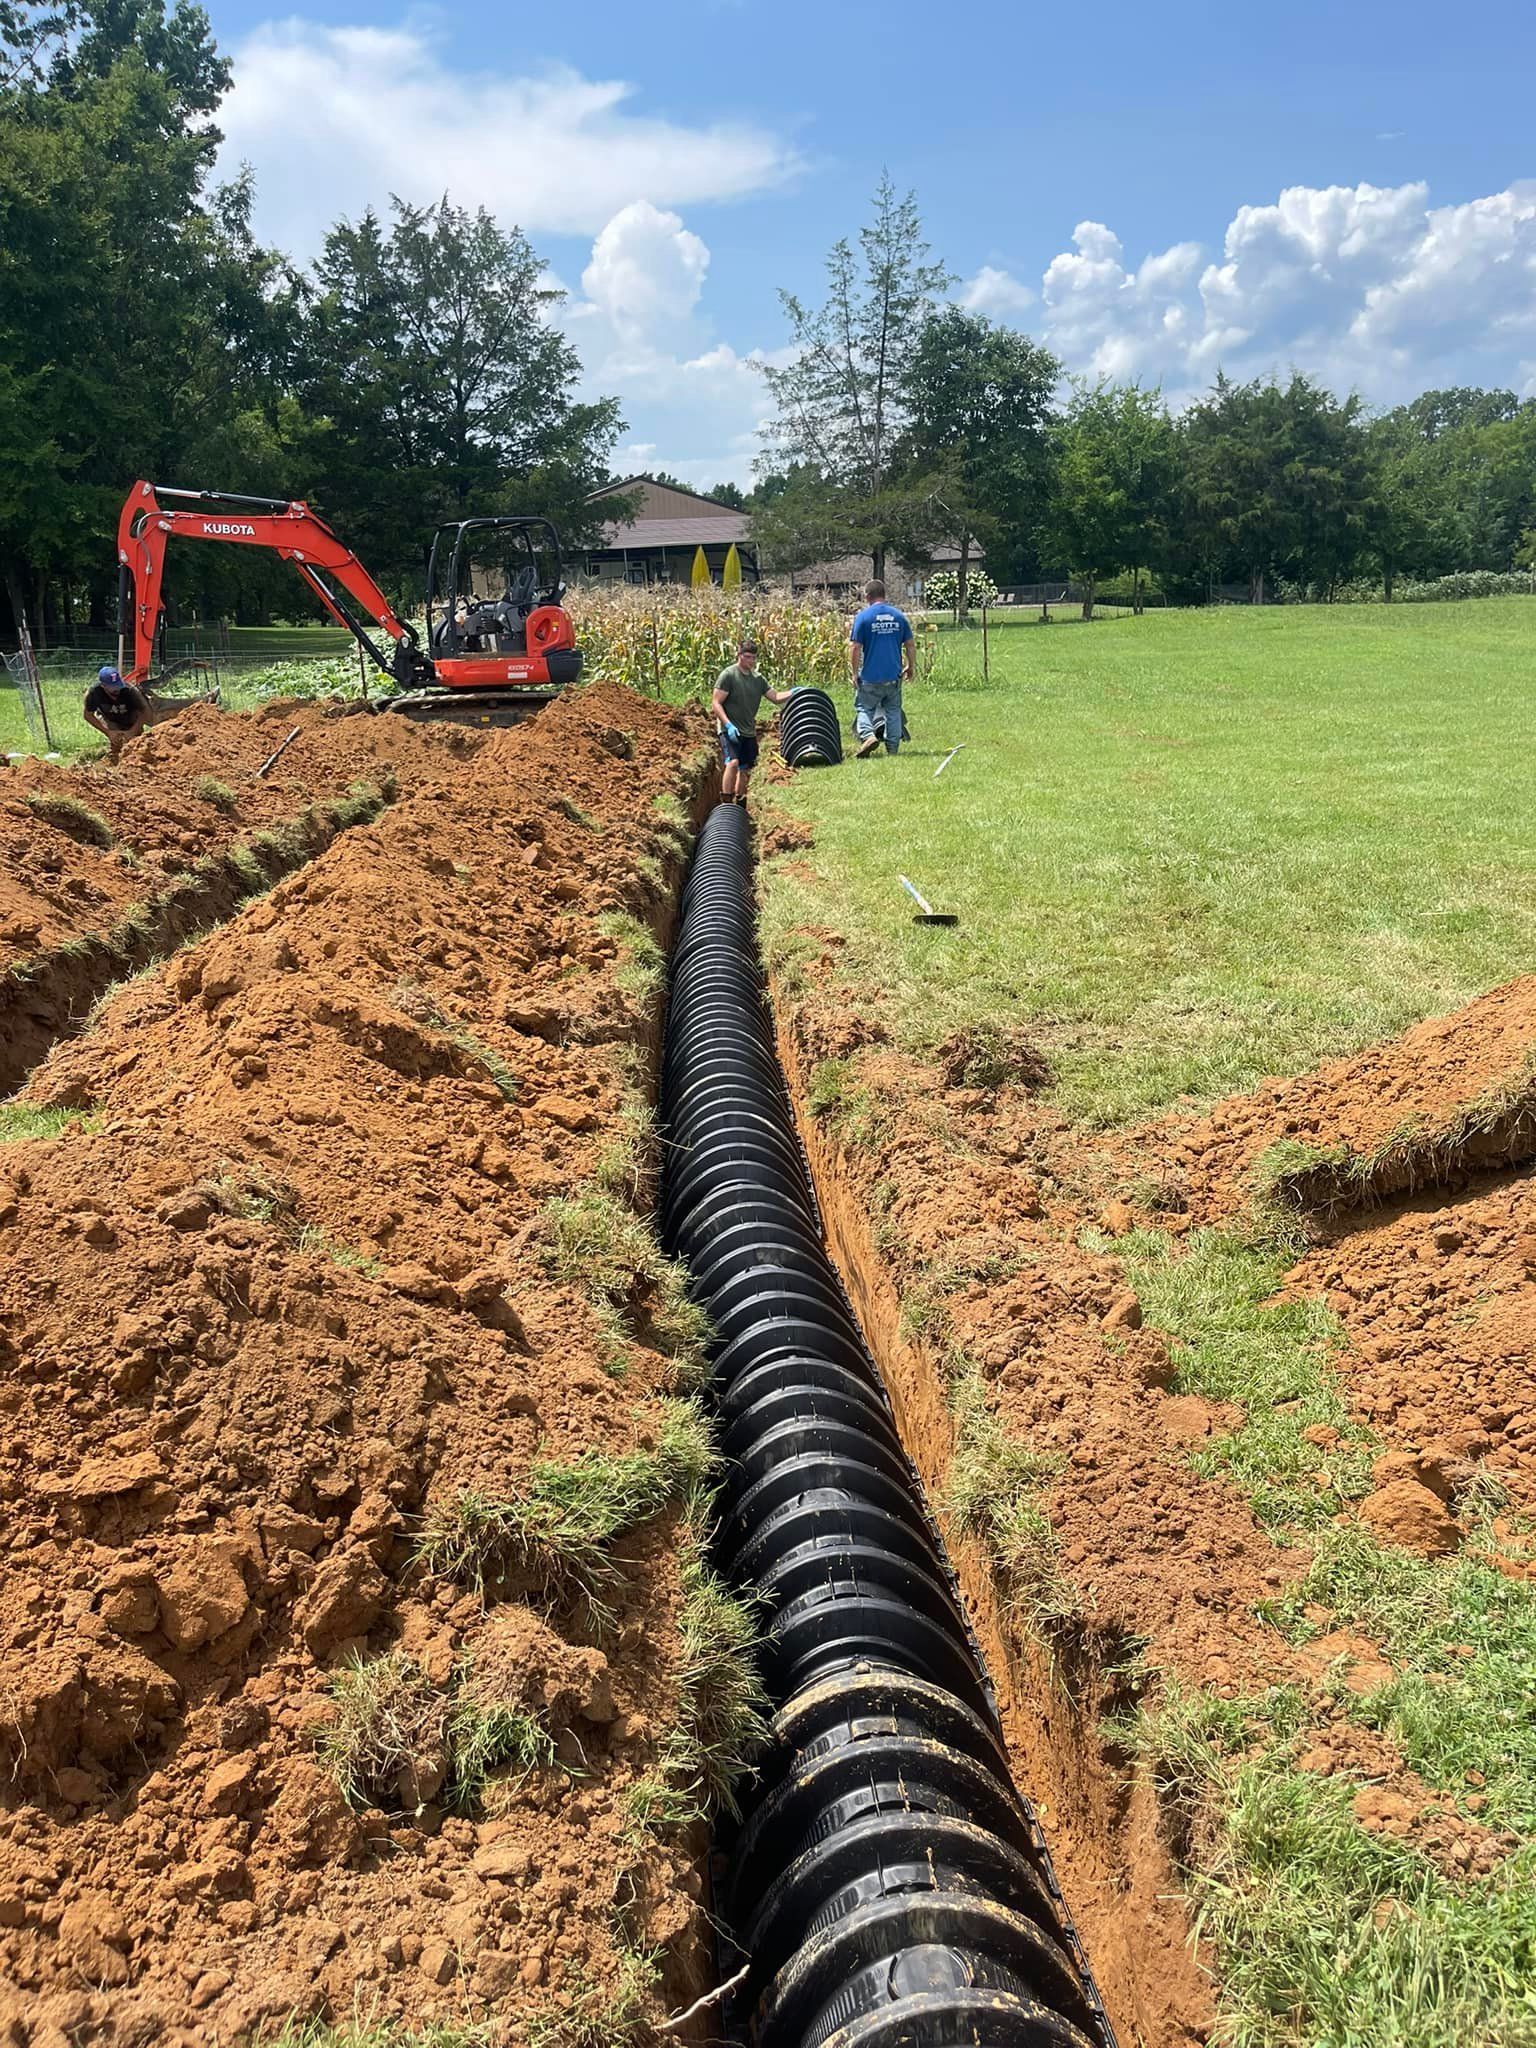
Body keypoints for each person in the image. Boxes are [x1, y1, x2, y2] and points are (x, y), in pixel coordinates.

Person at [712, 639, 791, 807]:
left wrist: (794, 692)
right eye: (747, 657)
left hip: (748, 731)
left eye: (753, 658)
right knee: (732, 763)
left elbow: (775, 697)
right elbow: (716, 703)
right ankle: (726, 804)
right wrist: (727, 725)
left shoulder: (757, 679)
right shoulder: (729, 675)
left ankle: (740, 805)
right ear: (739, 655)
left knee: (745, 769)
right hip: (730, 729)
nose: (751, 661)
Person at [848, 579, 914, 758]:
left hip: (870, 677)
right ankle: (892, 749)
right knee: (893, 711)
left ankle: (868, 736)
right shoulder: (898, 616)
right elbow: (909, 644)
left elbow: (855, 647)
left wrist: (854, 673)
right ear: (884, 595)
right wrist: (910, 666)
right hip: (893, 676)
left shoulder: (863, 617)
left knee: (864, 708)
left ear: (867, 596)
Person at [83, 667, 149, 763]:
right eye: (113, 687)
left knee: (137, 744)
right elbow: (87, 715)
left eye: (118, 685)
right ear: (103, 686)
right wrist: (108, 732)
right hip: (111, 719)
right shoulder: (94, 693)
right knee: (116, 740)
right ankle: (115, 760)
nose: (117, 689)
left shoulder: (130, 691)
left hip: (132, 719)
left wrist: (133, 731)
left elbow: (145, 712)